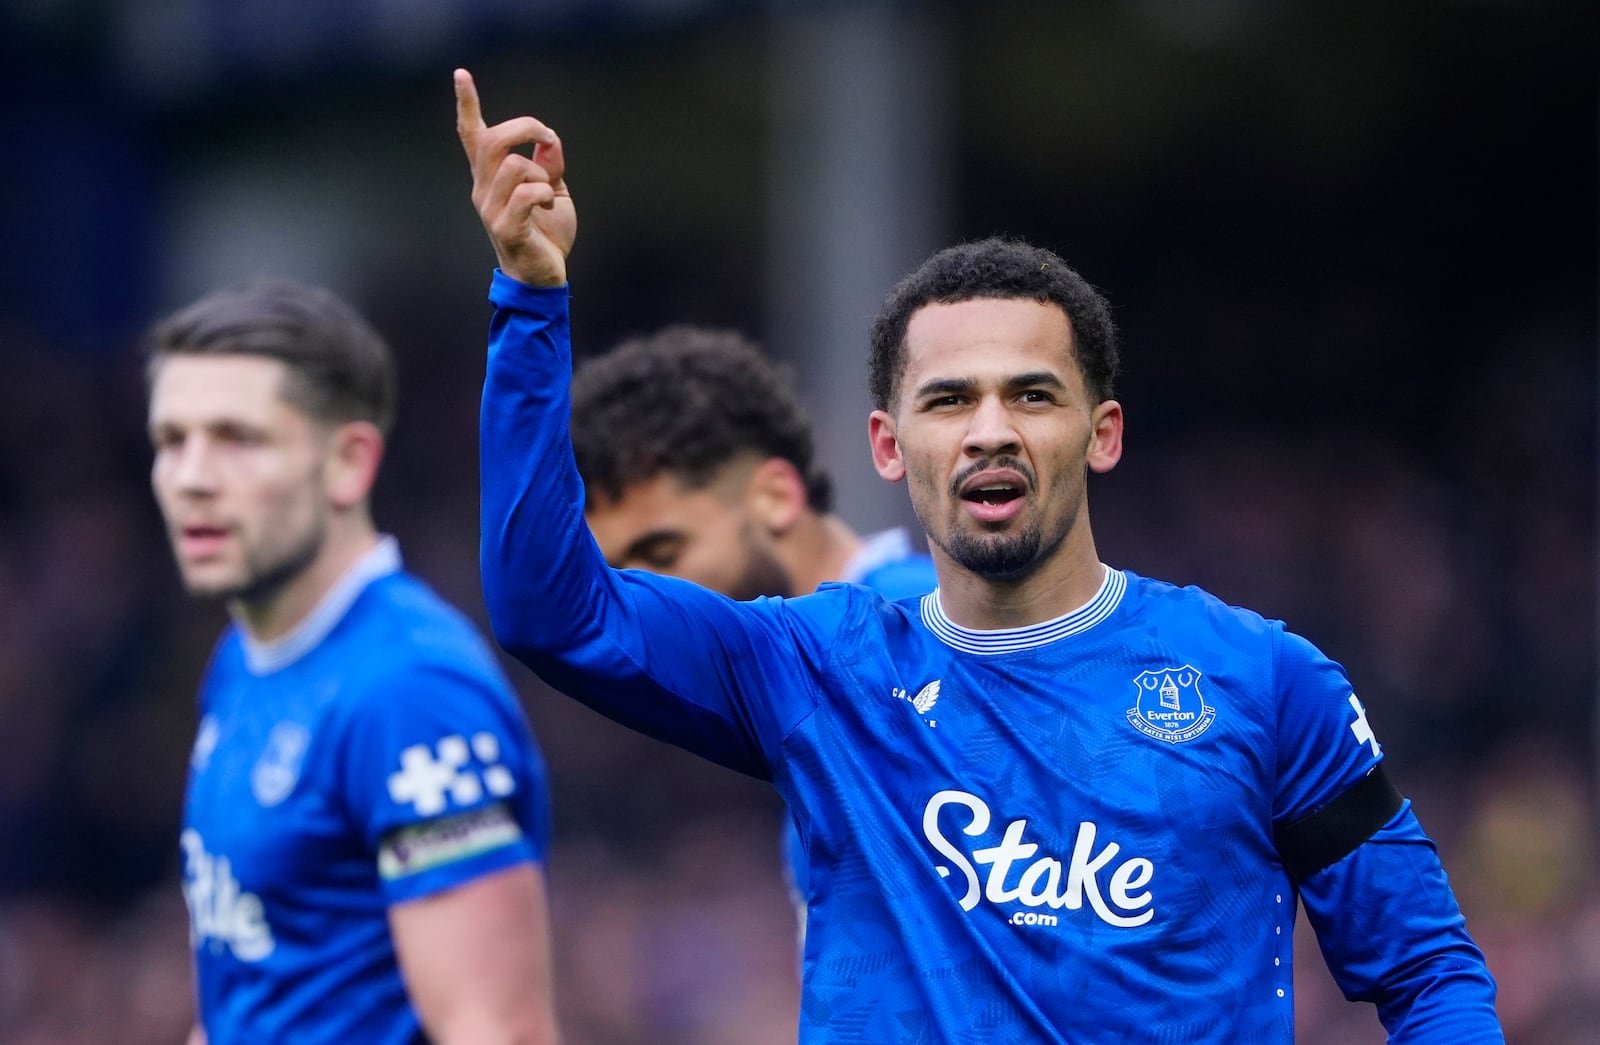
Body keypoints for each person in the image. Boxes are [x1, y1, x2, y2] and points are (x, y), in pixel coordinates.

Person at [455, 69, 1503, 1043]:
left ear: (1102, 432)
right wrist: (530, 298)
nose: (988, 430)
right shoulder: (817, 667)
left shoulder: (1264, 681)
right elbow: (553, 612)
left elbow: (1427, 971)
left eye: (1031, 394)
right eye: (949, 400)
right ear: (887, 444)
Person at [145, 278, 560, 1045]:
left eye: (238, 438)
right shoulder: (242, 659)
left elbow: (498, 1032)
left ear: (348, 462)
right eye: (172, 440)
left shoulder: (410, 691)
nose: (192, 477)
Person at [570, 326, 937, 922]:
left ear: (774, 497)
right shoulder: (802, 686)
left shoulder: (919, 628)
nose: (645, 600)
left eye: (663, 555)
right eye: (621, 574)